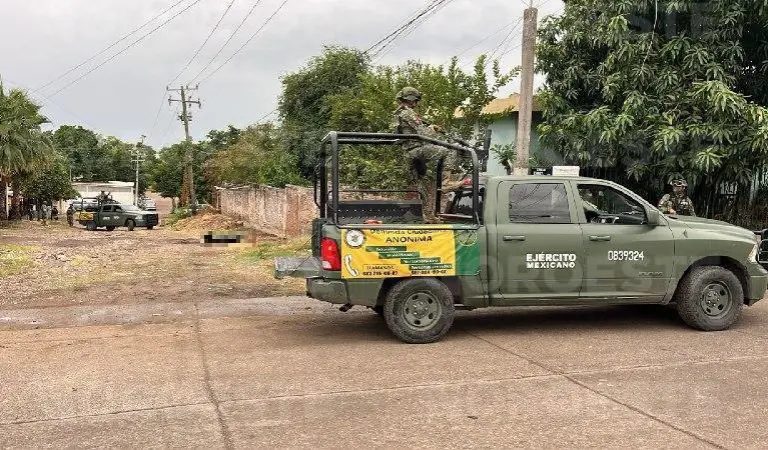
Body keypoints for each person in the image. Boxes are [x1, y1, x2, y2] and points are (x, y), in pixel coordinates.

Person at [392, 86, 463, 222]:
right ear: (411, 99)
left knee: (422, 184)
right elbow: (423, 134)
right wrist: (433, 129)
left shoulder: (399, 113)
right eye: (416, 100)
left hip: (410, 151)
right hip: (415, 149)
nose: (417, 103)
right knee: (449, 150)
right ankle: (446, 182)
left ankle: (426, 216)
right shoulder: (407, 113)